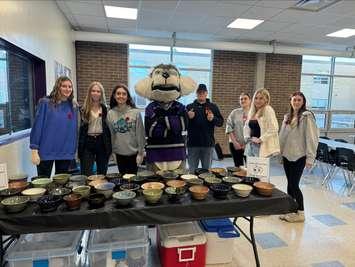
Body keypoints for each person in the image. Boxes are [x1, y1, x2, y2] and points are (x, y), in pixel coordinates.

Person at [279, 91, 318, 223]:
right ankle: (290, 210)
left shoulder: (307, 117)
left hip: (299, 156)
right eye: (294, 100)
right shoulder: (287, 117)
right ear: (291, 101)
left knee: (295, 185)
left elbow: (312, 138)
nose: (296, 102)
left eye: (299, 100)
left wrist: (310, 158)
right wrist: (280, 152)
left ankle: (300, 212)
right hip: (287, 155)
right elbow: (282, 136)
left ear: (303, 102)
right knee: (289, 184)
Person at [30, 76, 79, 177]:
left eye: (70, 86)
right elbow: (37, 127)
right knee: (43, 183)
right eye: (64, 86)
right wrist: (34, 149)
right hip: (46, 151)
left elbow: (74, 130)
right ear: (58, 87)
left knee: (61, 184)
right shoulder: (45, 103)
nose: (67, 89)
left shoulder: (73, 106)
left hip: (65, 152)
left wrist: (74, 150)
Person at [106, 83, 145, 174]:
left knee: (133, 181)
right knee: (123, 180)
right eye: (118, 93)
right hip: (119, 154)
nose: (121, 96)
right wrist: (113, 153)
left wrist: (141, 153)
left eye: (124, 94)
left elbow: (140, 134)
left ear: (127, 96)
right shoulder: (110, 113)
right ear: (114, 96)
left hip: (133, 154)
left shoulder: (135, 113)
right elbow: (111, 135)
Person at [186, 83, 224, 173]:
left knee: (206, 172)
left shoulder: (213, 107)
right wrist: (188, 117)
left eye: (203, 92)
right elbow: (182, 125)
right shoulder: (189, 107)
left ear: (206, 93)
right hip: (192, 144)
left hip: (208, 144)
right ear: (196, 93)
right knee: (192, 171)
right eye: (199, 92)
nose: (201, 94)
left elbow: (220, 122)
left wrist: (213, 118)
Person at [78, 81, 112, 176]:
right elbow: (79, 130)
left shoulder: (105, 109)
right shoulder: (83, 109)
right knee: (86, 173)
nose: (96, 93)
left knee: (102, 173)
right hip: (87, 142)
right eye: (93, 91)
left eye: (98, 91)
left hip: (102, 142)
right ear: (89, 92)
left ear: (101, 94)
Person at [244, 88, 280, 158]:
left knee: (259, 168)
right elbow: (246, 126)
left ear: (266, 99)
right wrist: (247, 138)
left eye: (261, 98)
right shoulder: (252, 111)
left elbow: (274, 128)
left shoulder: (268, 110)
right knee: (249, 168)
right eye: (256, 98)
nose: (258, 101)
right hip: (251, 145)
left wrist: (260, 139)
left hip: (261, 146)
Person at [226, 93, 251, 167]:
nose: (243, 100)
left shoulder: (254, 113)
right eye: (241, 99)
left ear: (250, 100)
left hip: (249, 145)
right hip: (235, 145)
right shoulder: (234, 113)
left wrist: (247, 144)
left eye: (245, 98)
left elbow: (256, 130)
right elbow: (229, 127)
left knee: (250, 168)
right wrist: (235, 142)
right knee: (238, 167)